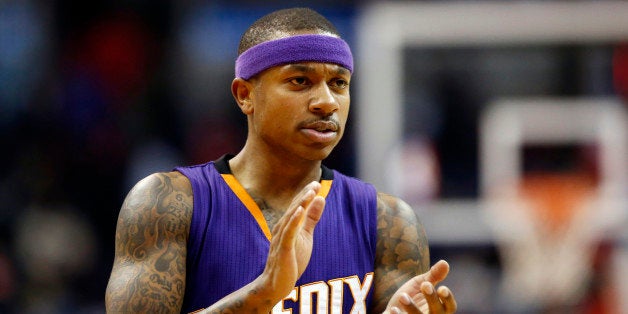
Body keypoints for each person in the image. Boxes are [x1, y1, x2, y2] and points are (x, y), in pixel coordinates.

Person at [105, 7, 457, 314]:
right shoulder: (167, 204)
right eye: (300, 81)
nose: (326, 102)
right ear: (245, 95)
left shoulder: (389, 222)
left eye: (338, 83)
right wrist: (265, 293)